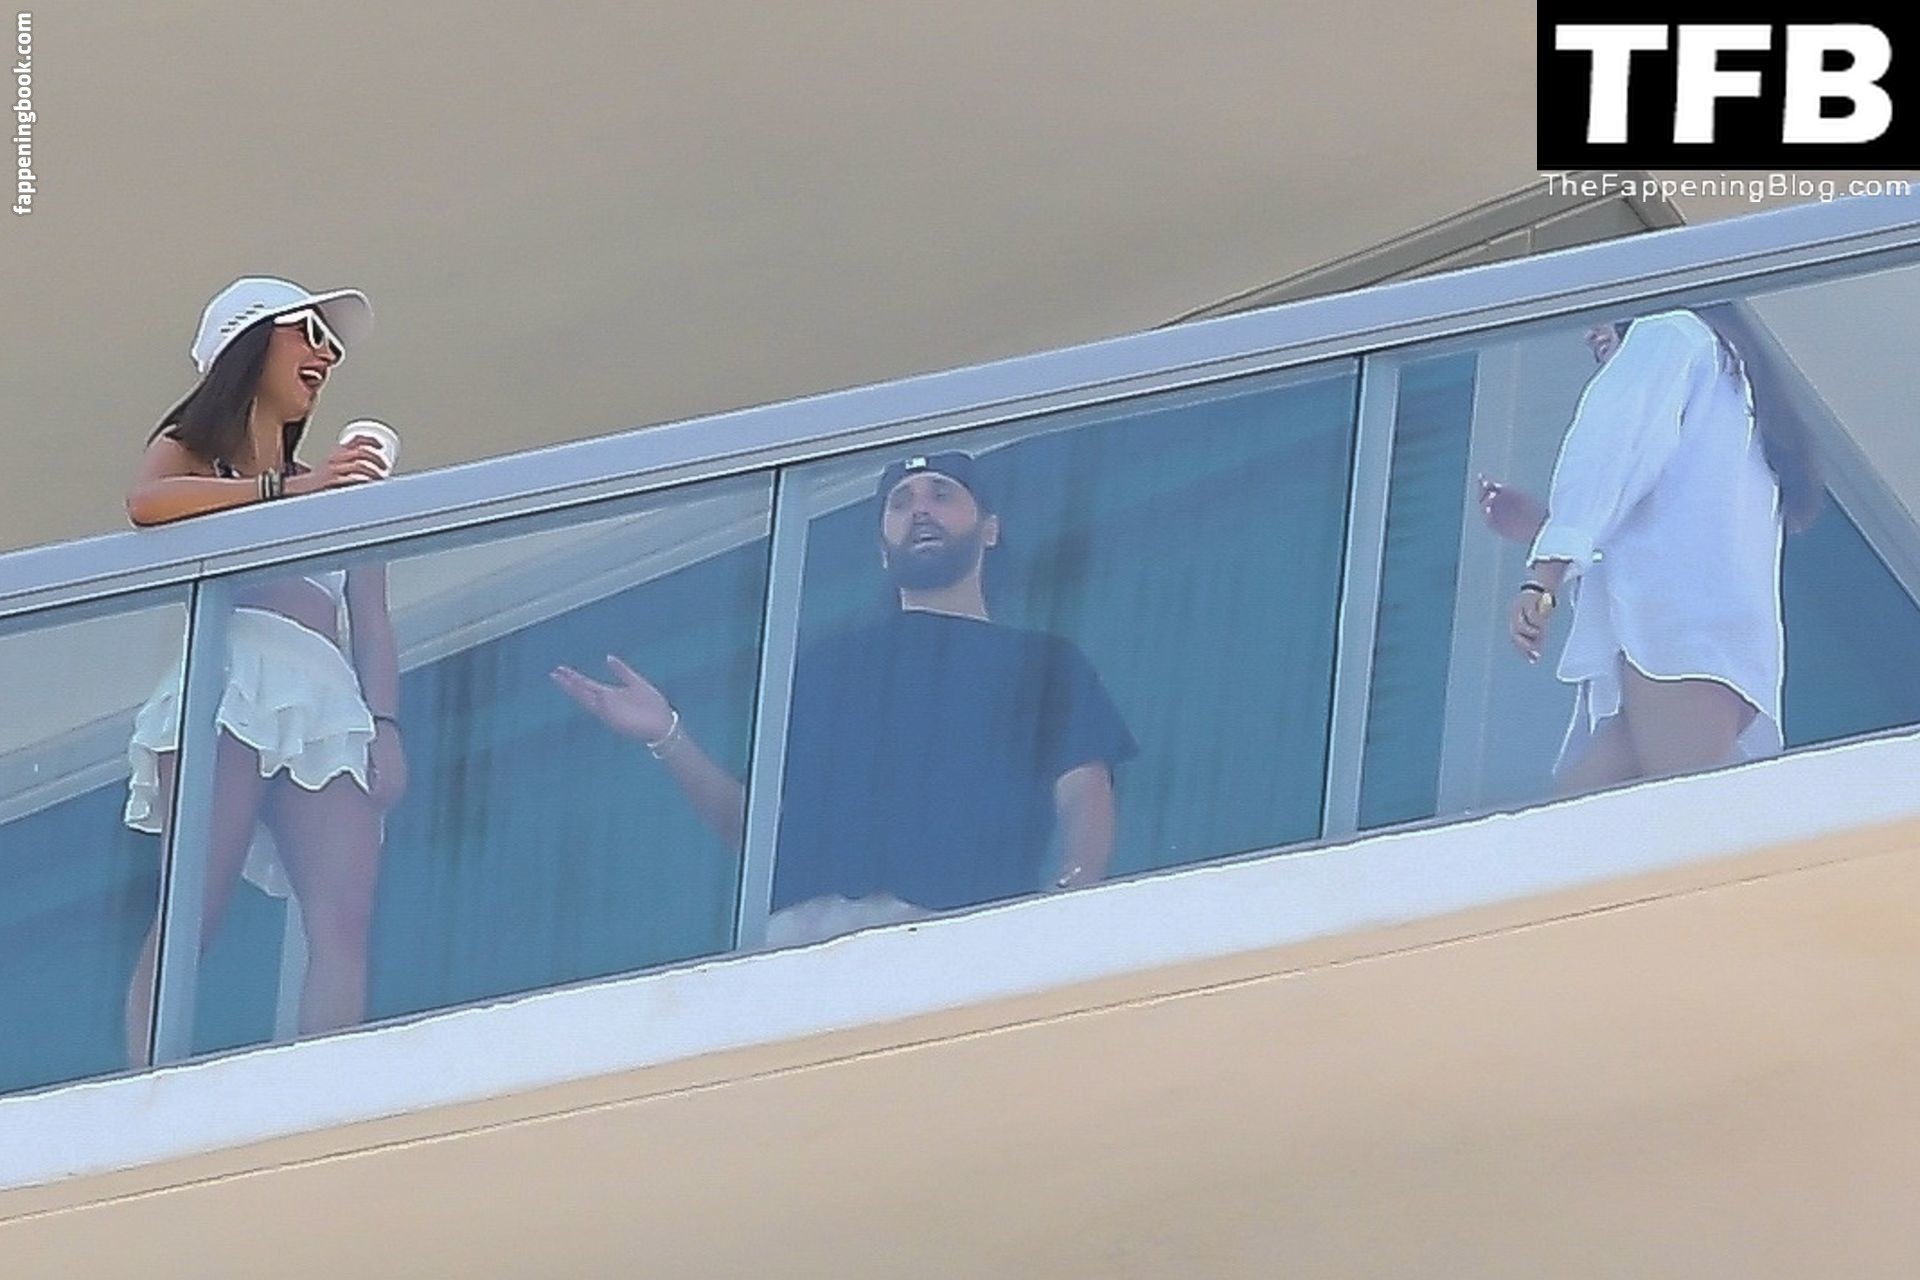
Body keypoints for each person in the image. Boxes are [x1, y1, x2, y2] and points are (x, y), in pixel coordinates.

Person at [554, 451, 1137, 946]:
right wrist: (667, 735)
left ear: (990, 528)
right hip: (808, 946)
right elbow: (760, 832)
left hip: (956, 939)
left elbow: (1083, 794)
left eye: (941, 494)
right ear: (882, 548)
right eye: (901, 502)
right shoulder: (825, 667)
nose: (921, 510)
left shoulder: (1043, 663)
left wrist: (1065, 905)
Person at [122, 276, 407, 1055]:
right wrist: (294, 488)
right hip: (233, 678)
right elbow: (147, 502)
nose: (326, 354)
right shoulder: (198, 455)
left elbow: (371, 620)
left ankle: (325, 1088)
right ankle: (150, 1087)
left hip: (326, 695)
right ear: (246, 344)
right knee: (196, 899)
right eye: (310, 331)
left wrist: (385, 725)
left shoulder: (336, 489)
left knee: (345, 913)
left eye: (332, 345)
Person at [1475, 305, 1821, 795]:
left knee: (1678, 819)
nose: (1590, 333)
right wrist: (1546, 529)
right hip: (1707, 647)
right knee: (1581, 821)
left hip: (1680, 642)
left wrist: (1543, 577)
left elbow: (1609, 447)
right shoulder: (1727, 376)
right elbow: (1669, 526)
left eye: (1604, 309)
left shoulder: (1668, 333)